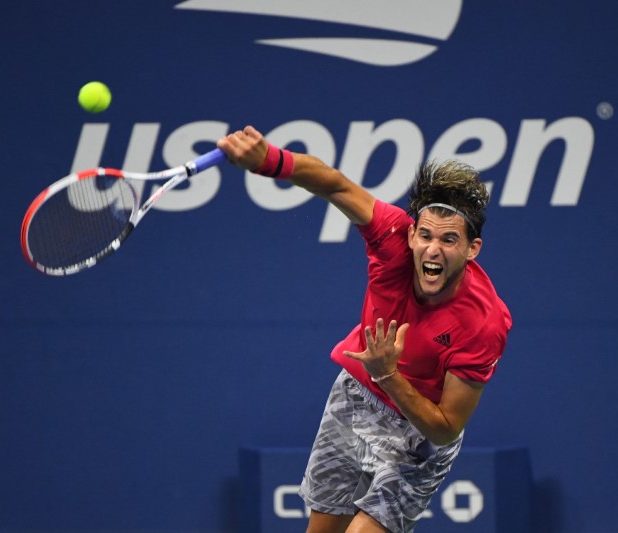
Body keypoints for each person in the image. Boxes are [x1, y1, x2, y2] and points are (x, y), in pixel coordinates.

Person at [217, 126, 512, 533]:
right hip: (356, 399)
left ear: (471, 249)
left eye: (449, 240)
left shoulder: (485, 320)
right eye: (425, 235)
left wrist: (389, 375)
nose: (433, 249)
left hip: (419, 437)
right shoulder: (389, 235)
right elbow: (335, 184)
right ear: (410, 234)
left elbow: (444, 428)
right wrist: (268, 159)